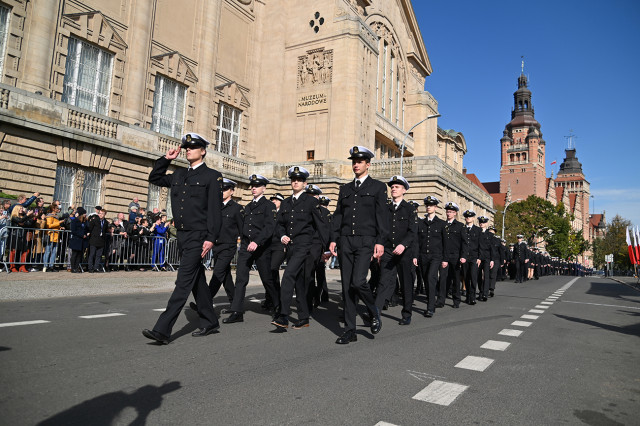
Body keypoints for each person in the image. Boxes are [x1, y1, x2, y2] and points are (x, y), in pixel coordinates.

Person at [143, 132, 223, 344]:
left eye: (193, 147)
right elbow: (155, 178)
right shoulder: (179, 175)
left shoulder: (212, 177)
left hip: (199, 236)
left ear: (203, 151)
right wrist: (166, 159)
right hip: (182, 235)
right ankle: (210, 320)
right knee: (197, 281)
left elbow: (215, 211)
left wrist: (210, 238)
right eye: (186, 148)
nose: (188, 150)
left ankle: (162, 329)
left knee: (183, 281)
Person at [329, 146, 389, 344]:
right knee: (347, 287)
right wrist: (333, 238)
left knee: (358, 282)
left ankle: (373, 311)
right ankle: (350, 330)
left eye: (360, 161)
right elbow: (338, 216)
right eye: (354, 161)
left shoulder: (378, 187)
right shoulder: (345, 189)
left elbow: (382, 217)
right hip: (346, 240)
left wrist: (380, 242)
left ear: (368, 164)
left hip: (366, 241)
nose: (356, 164)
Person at [271, 167, 328, 329]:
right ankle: (303, 317)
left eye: (299, 180)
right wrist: (282, 236)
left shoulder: (311, 202)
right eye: (293, 180)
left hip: (305, 246)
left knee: (288, 275)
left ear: (305, 183)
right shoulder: (287, 203)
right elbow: (279, 225)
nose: (295, 182)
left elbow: (321, 226)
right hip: (290, 247)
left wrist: (326, 249)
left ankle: (282, 316)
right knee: (299, 283)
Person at [223, 174, 277, 324]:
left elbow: (269, 227)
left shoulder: (269, 206)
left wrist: (258, 242)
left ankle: (278, 306)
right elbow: (243, 226)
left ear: (264, 189)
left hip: (261, 248)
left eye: (257, 186)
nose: (254, 188)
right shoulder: (248, 206)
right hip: (247, 245)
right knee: (240, 279)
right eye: (252, 186)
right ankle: (237, 311)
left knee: (267, 279)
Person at [190, 178, 243, 314]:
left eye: (225, 189)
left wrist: (243, 245)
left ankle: (204, 302)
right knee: (225, 276)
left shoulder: (237, 209)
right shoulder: (215, 207)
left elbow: (242, 229)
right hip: (216, 246)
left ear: (231, 191)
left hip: (228, 246)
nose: (222, 192)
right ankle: (235, 304)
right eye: (220, 189)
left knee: (217, 273)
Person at [375, 176, 417, 325]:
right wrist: (379, 246)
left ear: (404, 190)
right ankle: (376, 313)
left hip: (404, 252)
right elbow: (380, 230)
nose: (393, 188)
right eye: (392, 186)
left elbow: (412, 232)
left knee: (406, 283)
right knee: (383, 281)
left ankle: (406, 313)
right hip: (387, 250)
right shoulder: (385, 208)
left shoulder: (410, 208)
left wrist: (404, 245)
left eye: (397, 186)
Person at [416, 195, 445, 318]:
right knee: (426, 281)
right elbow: (417, 241)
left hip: (436, 256)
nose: (429, 207)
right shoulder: (421, 223)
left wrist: (445, 259)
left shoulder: (441, 224)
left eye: (431, 205)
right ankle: (431, 300)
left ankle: (430, 307)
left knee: (430, 278)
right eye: (427, 205)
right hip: (423, 255)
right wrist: (415, 256)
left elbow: (445, 243)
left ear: (436, 207)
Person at [438, 202, 464, 309]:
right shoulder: (442, 225)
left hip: (455, 256)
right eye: (448, 212)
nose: (449, 213)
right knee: (443, 279)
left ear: (455, 213)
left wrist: (463, 256)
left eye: (451, 212)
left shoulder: (460, 226)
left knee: (456, 279)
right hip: (444, 256)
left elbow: (464, 243)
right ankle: (440, 300)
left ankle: (456, 300)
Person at [267, 193, 286, 312]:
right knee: (268, 273)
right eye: (272, 199)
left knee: (273, 268)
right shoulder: (269, 212)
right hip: (268, 245)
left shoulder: (284, 213)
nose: (274, 201)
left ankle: (277, 298)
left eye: (276, 199)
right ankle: (270, 299)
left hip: (280, 245)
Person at [460, 210, 480, 304]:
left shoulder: (477, 230)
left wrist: (479, 257)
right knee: (466, 277)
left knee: (473, 276)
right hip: (464, 257)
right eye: (467, 217)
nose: (468, 218)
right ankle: (468, 296)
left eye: (470, 217)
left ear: (473, 218)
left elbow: (481, 245)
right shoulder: (462, 229)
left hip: (474, 257)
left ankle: (472, 297)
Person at [476, 216, 495, 301]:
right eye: (480, 222)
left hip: (487, 257)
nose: (481, 224)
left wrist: (492, 260)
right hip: (478, 257)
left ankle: (485, 294)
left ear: (486, 224)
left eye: (483, 222)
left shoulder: (490, 235)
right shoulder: (476, 233)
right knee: (478, 275)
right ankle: (481, 291)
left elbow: (492, 248)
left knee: (486, 275)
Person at [87, 208, 108, 273]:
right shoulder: (94, 220)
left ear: (105, 214)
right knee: (92, 254)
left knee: (99, 255)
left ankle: (96, 267)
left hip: (101, 240)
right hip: (94, 239)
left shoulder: (106, 222)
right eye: (99, 213)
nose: (100, 215)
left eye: (102, 214)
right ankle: (90, 267)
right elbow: (90, 228)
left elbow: (105, 230)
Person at [43, 204, 63, 272]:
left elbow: (55, 226)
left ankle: (51, 266)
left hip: (56, 236)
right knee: (48, 251)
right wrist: (59, 223)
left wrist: (60, 227)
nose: (58, 210)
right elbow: (49, 225)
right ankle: (46, 265)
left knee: (54, 252)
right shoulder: (49, 216)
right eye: (57, 208)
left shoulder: (56, 216)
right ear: (53, 209)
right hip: (50, 235)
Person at [69, 207, 88, 273]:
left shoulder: (85, 222)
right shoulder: (75, 221)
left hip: (82, 241)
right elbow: (73, 231)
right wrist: (81, 235)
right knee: (74, 255)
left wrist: (86, 233)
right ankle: (73, 268)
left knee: (79, 255)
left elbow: (86, 229)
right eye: (84, 214)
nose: (85, 215)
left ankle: (76, 267)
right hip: (76, 240)